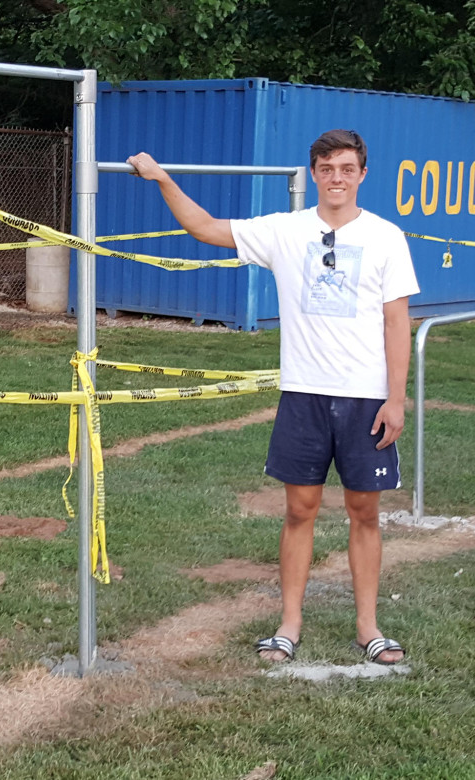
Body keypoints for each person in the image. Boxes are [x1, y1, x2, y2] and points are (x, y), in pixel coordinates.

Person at [127, 129, 419, 665]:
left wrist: (395, 400)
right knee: (299, 510)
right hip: (303, 396)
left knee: (364, 513)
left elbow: (396, 321)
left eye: (347, 168)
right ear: (314, 174)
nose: (337, 178)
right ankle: (288, 625)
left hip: (365, 400)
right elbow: (206, 228)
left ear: (362, 175)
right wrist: (163, 179)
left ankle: (369, 628)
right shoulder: (285, 231)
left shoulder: (386, 237)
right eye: (327, 168)